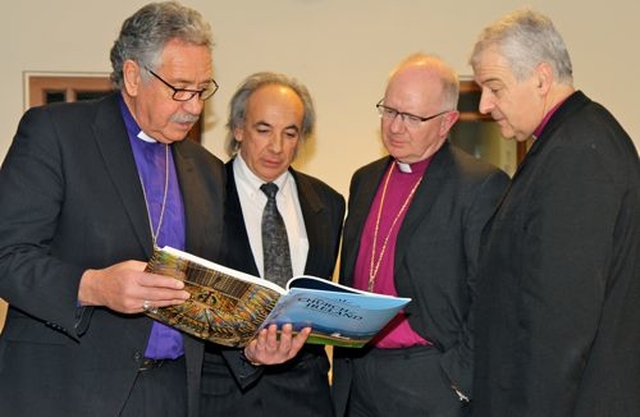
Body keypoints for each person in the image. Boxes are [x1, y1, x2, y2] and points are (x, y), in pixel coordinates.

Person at [0, 2, 225, 416]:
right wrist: (93, 287)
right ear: (133, 76)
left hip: (174, 392)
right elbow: (6, 256)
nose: (194, 106)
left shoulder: (207, 170)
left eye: (202, 89)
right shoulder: (55, 133)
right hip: (68, 389)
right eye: (179, 87)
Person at [469, 9, 640, 416]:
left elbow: (559, 327)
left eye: (494, 87)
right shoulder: (572, 139)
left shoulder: (577, 154)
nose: (484, 104)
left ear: (541, 78)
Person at [331, 53, 510, 417]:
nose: (395, 127)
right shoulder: (364, 180)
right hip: (360, 374)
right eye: (389, 111)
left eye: (412, 117)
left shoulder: (478, 185)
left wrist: (459, 380)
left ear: (447, 122)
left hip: (429, 377)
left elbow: (491, 297)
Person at [199, 72, 345, 417]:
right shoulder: (202, 195)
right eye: (263, 130)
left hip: (305, 395)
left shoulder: (329, 203)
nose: (276, 147)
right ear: (238, 129)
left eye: (290, 133)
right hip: (223, 393)